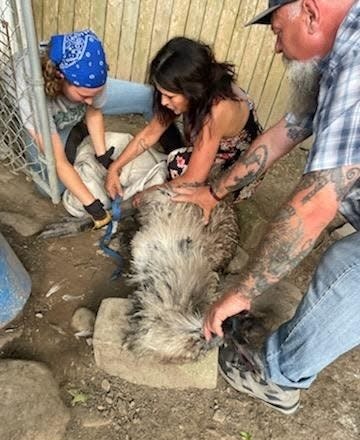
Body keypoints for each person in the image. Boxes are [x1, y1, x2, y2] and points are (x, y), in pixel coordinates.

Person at [173, 0, 360, 414]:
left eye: (277, 30)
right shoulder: (333, 58)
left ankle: (279, 375)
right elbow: (286, 131)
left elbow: (314, 207)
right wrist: (215, 192)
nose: (276, 47)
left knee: (348, 267)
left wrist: (239, 294)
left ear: (309, 13)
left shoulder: (357, 64)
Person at [15, 29, 162, 227]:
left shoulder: (92, 71)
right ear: (60, 78)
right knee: (51, 188)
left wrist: (103, 157)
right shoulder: (33, 95)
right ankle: (73, 131)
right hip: (42, 110)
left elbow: (93, 111)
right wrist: (94, 207)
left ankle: (175, 155)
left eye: (96, 92)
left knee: (149, 97)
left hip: (71, 97)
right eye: (84, 95)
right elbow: (57, 161)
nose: (91, 100)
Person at [105, 36, 262, 202]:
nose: (164, 101)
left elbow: (192, 179)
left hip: (239, 165)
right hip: (214, 144)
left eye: (170, 96)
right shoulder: (197, 85)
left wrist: (147, 194)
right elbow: (150, 134)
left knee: (177, 165)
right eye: (162, 93)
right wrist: (115, 168)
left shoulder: (217, 111)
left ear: (192, 90)